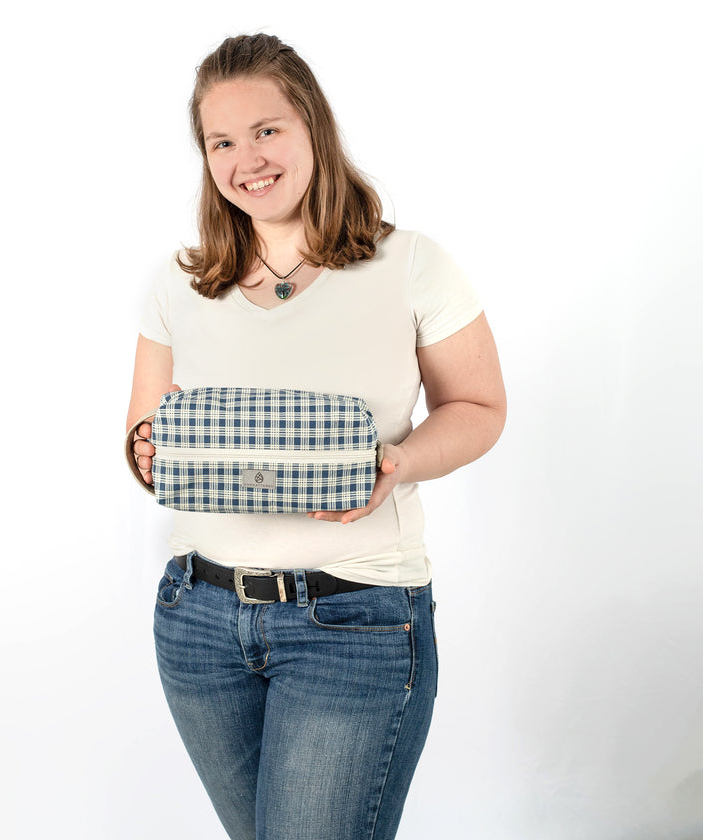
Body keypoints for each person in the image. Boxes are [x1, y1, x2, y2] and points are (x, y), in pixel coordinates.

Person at [126, 33, 506, 840]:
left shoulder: (409, 264)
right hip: (197, 619)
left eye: (266, 130)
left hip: (356, 621)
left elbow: (478, 407)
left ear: (313, 127)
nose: (246, 159)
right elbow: (142, 438)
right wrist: (147, 454)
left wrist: (397, 466)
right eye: (221, 141)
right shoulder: (181, 280)